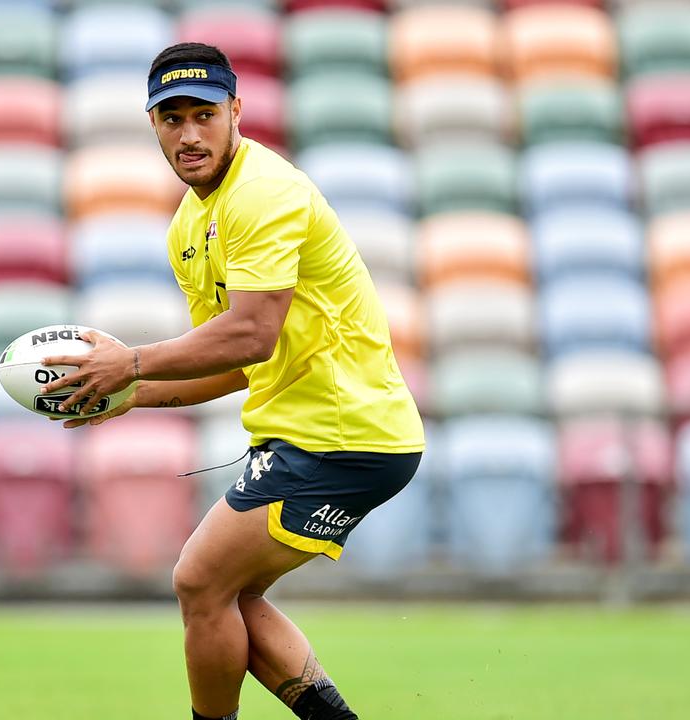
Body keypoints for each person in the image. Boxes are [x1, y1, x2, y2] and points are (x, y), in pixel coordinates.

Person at [39, 42, 425, 720]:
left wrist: (129, 363)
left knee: (198, 579)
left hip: (341, 433)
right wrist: (126, 396)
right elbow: (235, 363)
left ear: (236, 110)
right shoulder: (190, 225)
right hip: (316, 434)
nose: (189, 134)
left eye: (204, 114)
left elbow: (253, 333)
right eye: (172, 118)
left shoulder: (264, 193)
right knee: (227, 593)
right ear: (153, 124)